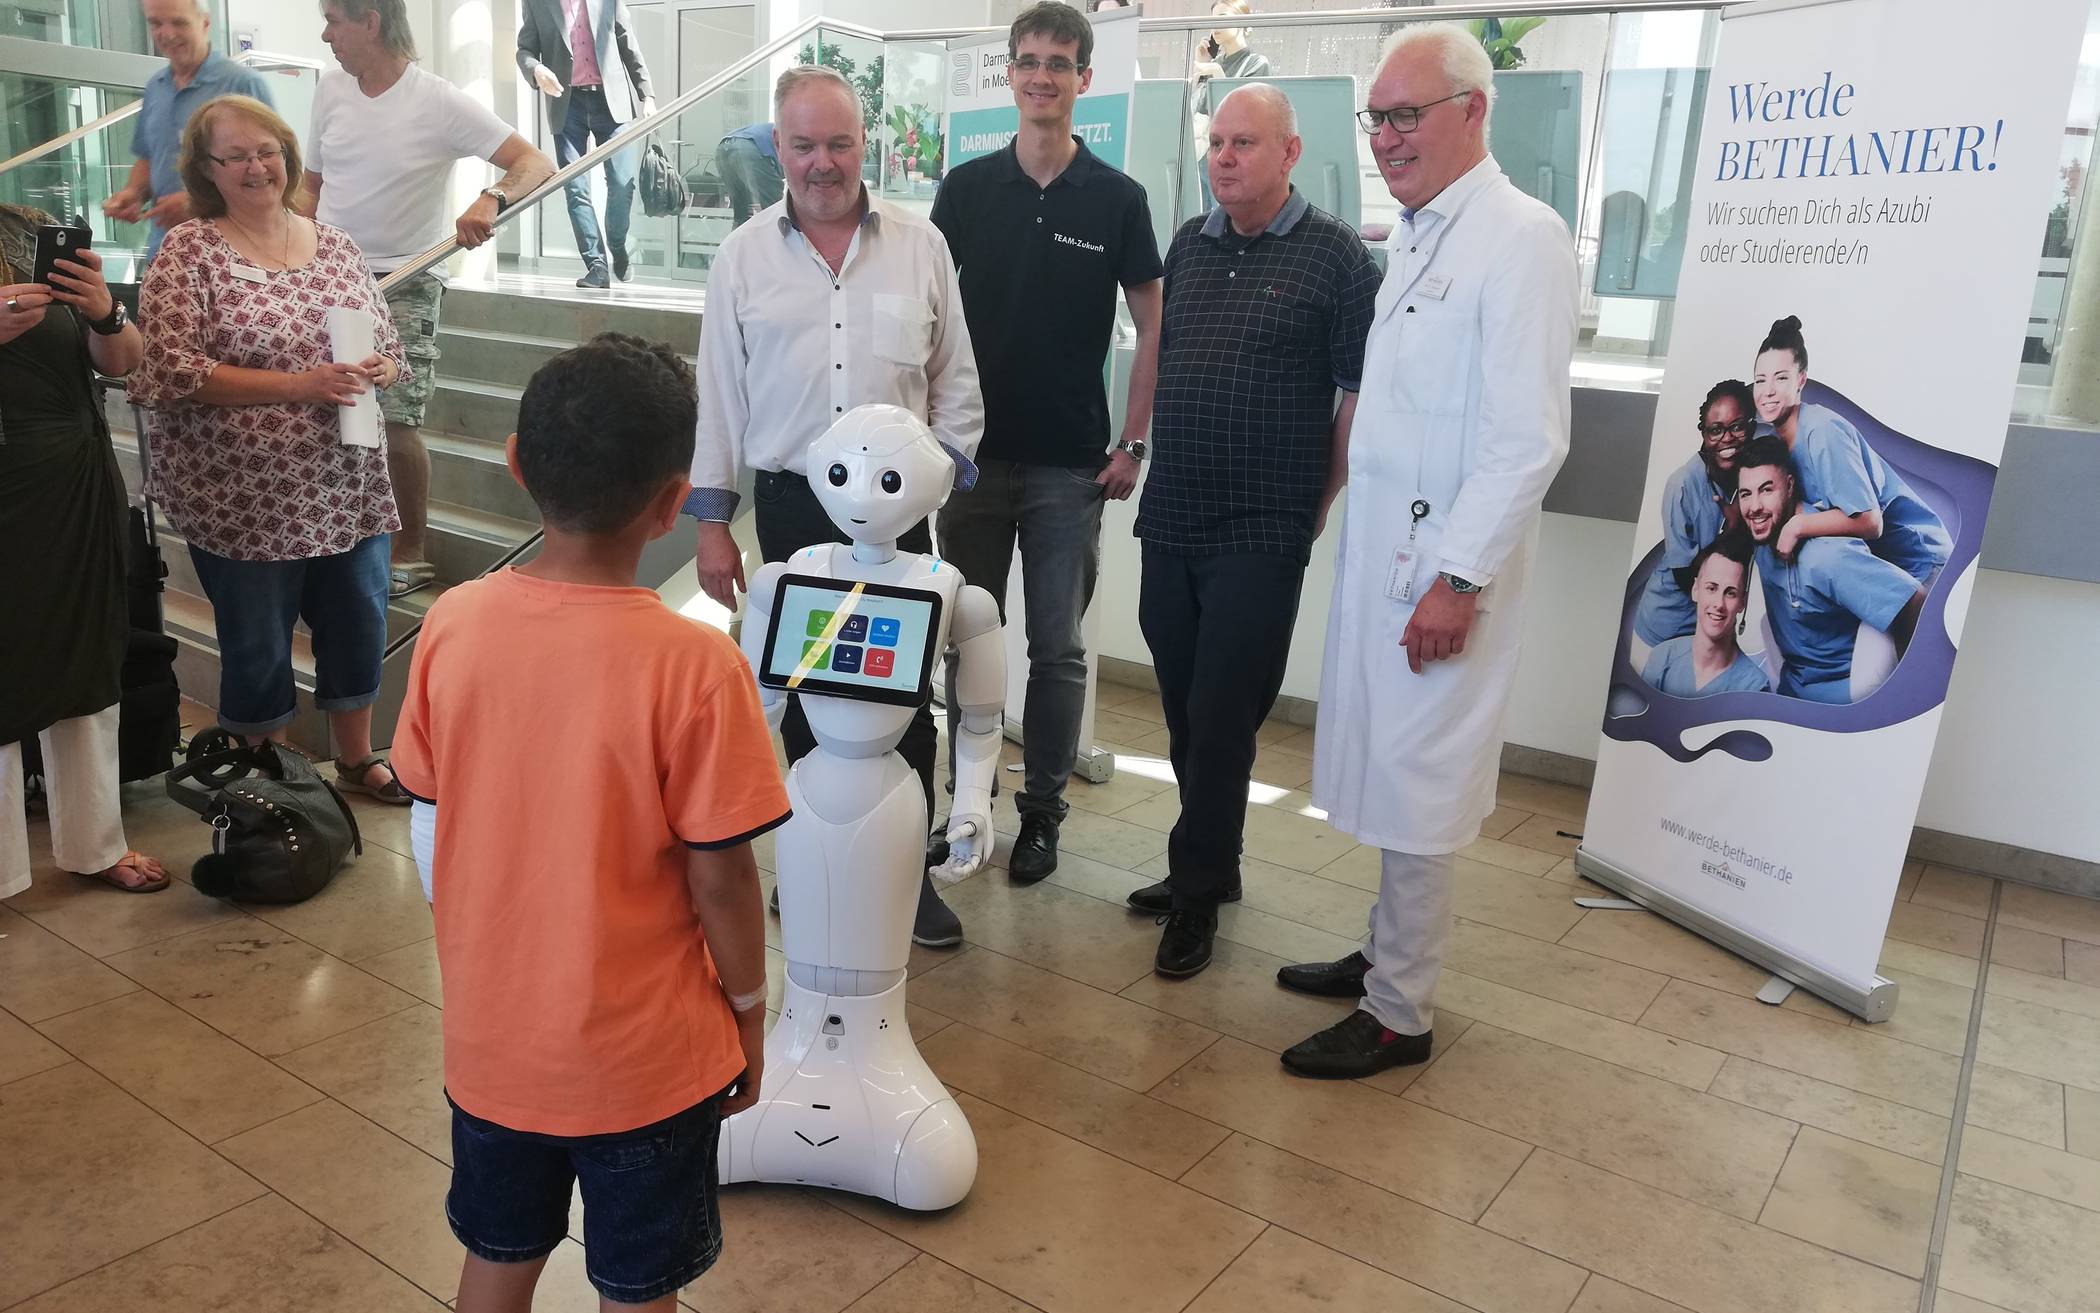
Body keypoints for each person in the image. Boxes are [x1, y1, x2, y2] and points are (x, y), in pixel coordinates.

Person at [391, 334, 787, 1313]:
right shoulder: (696, 666)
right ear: (674, 501)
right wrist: (747, 1009)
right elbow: (721, 873)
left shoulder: (453, 622)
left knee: (497, 1258)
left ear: (519, 463)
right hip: (647, 1064)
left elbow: (431, 808)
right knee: (637, 1286)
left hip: (492, 1047)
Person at [1277, 25, 1578, 1079]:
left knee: (1422, 775)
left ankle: (1400, 1009)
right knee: (1385, 761)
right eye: (1379, 118)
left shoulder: (1520, 238)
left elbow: (1526, 439)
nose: (1388, 138)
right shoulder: (1417, 232)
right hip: (1388, 560)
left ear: (1473, 111)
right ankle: (1384, 953)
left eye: (1408, 114)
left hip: (1445, 574)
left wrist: (1459, 579)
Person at [688, 65, 983, 949]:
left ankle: (910, 876)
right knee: (808, 695)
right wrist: (712, 522)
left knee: (907, 697)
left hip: (900, 522)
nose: (824, 162)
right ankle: (819, 853)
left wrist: (938, 481)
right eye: (806, 145)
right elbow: (719, 398)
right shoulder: (741, 257)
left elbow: (956, 381)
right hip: (791, 511)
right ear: (778, 148)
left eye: (840, 143)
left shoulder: (920, 244)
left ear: (867, 145)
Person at [1124, 84, 1379, 979]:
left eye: (1243, 143)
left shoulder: (1339, 258)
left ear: (1290, 153)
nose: (1223, 157)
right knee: (1185, 708)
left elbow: (1358, 395)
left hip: (1264, 523)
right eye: (1216, 142)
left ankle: (1194, 896)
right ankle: (1213, 862)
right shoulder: (1189, 243)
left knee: (1225, 714)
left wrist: (1320, 496)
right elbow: (1163, 352)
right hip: (1176, 511)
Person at [929, 1, 1164, 883]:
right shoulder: (966, 189)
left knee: (1057, 650)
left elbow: (1152, 321)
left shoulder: (1116, 197)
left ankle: (1043, 814)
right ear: (1010, 76)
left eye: (1058, 63)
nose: (1040, 75)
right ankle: (968, 803)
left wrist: (1132, 442)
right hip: (972, 463)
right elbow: (930, 316)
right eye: (1026, 60)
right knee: (969, 641)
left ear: (1082, 80)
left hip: (1072, 465)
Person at [130, 95, 412, 803]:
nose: (257, 166)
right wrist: (298, 385)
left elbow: (388, 345)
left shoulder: (337, 244)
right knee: (258, 640)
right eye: (237, 156)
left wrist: (379, 365)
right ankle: (273, 777)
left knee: (358, 618)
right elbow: (169, 369)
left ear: (287, 154)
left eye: (268, 150)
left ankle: (355, 758)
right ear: (207, 170)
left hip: (347, 481)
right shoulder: (188, 252)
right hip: (241, 496)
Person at [309, 0, 557, 601]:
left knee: (395, 417)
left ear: (370, 21)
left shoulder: (437, 99)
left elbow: (535, 162)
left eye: (334, 21)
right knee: (327, 403)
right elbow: (310, 187)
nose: (325, 34)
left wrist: (491, 197)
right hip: (327, 273)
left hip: (407, 278)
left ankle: (410, 551)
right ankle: (342, 530)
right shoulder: (331, 91)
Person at [0, 206, 165, 897]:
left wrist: (103, 312)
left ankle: (95, 842)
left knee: (91, 653)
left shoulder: (26, 229)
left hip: (77, 476)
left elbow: (126, 363)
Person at [1751, 315, 1950, 584]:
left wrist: (1796, 527)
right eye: (1761, 380)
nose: (1769, 391)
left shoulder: (1823, 432)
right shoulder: (1775, 444)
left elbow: (1870, 522)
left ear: (1801, 380)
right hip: (1876, 567)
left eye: (1781, 378)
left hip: (1923, 564)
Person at [1734, 435, 1925, 703]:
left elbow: (1915, 602)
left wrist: (1898, 699)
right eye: (1746, 494)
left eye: (1766, 490)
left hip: (1839, 702)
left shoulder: (1827, 556)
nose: (1754, 507)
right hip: (1790, 687)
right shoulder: (1763, 535)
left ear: (1789, 487)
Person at [104, 0, 276, 267]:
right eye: (156, 23)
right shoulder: (156, 87)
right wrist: (133, 193)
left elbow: (269, 172)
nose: (167, 34)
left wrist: (197, 202)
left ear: (205, 23)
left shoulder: (242, 84)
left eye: (179, 22)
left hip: (228, 258)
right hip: (165, 254)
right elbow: (150, 157)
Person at [516, 0, 656, 289]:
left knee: (622, 183)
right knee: (576, 189)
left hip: (611, 102)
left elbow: (626, 39)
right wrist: (537, 69)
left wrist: (647, 94)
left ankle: (617, 244)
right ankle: (596, 266)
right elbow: (525, 49)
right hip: (568, 106)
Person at [1631, 379, 1752, 647]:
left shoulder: (1752, 477)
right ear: (1704, 434)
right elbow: (1686, 577)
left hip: (1710, 624)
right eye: (1716, 430)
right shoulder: (1682, 485)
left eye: (1737, 427)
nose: (1727, 438)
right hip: (1666, 627)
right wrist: (1732, 534)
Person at [1639, 538, 1770, 697]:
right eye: (1712, 588)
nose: (1719, 604)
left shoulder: (1754, 686)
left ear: (1742, 602)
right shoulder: (1661, 659)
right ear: (1696, 589)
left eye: (1730, 593)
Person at [717, 123, 784, 228]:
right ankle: (773, 243)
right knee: (773, 210)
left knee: (741, 212)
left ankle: (738, 243)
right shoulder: (792, 134)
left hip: (723, 147)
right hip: (750, 146)